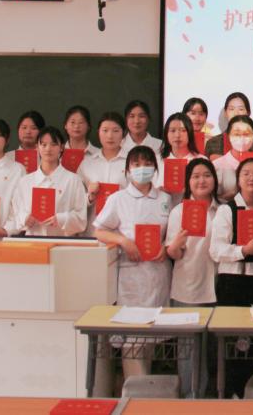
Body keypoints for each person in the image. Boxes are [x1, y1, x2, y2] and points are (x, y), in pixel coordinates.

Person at [92, 145, 173, 379]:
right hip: (132, 276)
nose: (142, 168)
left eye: (147, 163)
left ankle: (146, 390)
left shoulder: (165, 198)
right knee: (132, 341)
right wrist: (123, 241)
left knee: (152, 338)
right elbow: (99, 230)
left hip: (158, 274)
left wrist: (166, 247)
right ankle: (134, 392)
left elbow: (171, 232)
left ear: (155, 168)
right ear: (127, 169)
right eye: (136, 164)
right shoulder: (118, 199)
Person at [209, 157, 253, 397]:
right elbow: (216, 250)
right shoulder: (227, 210)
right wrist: (244, 250)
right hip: (233, 282)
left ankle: (252, 394)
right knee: (232, 342)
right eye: (246, 173)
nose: (252, 177)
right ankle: (229, 394)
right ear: (238, 180)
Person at [165, 157, 221, 398]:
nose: (202, 181)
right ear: (188, 181)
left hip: (218, 286)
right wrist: (176, 243)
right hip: (188, 287)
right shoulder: (179, 211)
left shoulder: (223, 210)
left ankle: (214, 397)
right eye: (196, 176)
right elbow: (173, 253)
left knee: (214, 348)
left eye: (207, 175)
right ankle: (191, 398)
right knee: (188, 350)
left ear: (214, 180)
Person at [9, 126, 87, 237]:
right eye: (43, 145)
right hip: (33, 241)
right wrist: (25, 219)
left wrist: (61, 219)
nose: (48, 149)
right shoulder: (25, 182)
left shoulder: (73, 180)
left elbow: (81, 219)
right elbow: (15, 213)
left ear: (61, 147)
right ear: (37, 147)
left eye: (53, 144)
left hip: (63, 242)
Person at [78, 112, 129, 227]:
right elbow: (76, 200)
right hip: (93, 228)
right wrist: (90, 197)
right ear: (98, 133)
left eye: (115, 131)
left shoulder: (132, 162)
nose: (110, 136)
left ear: (124, 133)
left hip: (121, 228)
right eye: (105, 130)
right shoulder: (86, 163)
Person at [156, 112, 204, 207]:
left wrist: (190, 189)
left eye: (183, 130)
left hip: (190, 210)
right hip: (160, 210)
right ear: (166, 134)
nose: (177, 135)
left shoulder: (201, 161)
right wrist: (159, 191)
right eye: (172, 131)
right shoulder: (156, 160)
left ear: (190, 133)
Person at [205, 93, 253, 160]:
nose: (236, 113)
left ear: (248, 113)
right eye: (231, 109)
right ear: (225, 113)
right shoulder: (213, 143)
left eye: (241, 109)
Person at [211, 115, 253, 201]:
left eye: (246, 134)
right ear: (228, 136)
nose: (242, 138)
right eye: (237, 134)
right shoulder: (217, 165)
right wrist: (230, 196)